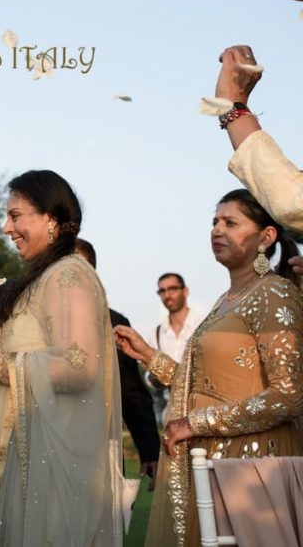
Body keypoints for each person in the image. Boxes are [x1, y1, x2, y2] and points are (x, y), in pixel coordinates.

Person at [114, 189, 303, 547]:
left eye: (230, 222)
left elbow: (288, 396)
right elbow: (204, 383)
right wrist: (148, 356)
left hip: (251, 463)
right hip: (211, 457)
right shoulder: (225, 301)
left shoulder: (274, 292)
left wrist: (197, 423)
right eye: (214, 222)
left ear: (266, 236)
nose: (217, 230)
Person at [0, 170, 122, 547]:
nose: (8, 228)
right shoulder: (37, 280)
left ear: (51, 219)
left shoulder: (68, 276)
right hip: (15, 458)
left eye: (15, 216)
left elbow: (80, 367)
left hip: (43, 465)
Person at [73, 239, 160, 488]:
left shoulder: (114, 322)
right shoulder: (36, 319)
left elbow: (130, 389)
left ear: (93, 274)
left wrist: (149, 448)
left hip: (102, 448)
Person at [149, 272, 205, 423]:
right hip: (171, 412)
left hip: (201, 409)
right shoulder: (157, 333)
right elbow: (149, 372)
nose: (167, 295)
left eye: (172, 289)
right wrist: (153, 378)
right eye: (162, 291)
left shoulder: (204, 324)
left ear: (185, 291)